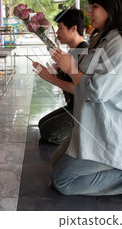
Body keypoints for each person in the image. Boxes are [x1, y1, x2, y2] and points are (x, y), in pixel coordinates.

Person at [49, 0, 122, 204]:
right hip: (92, 123)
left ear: (111, 5)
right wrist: (68, 67)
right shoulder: (104, 37)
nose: (90, 12)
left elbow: (97, 90)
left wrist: (71, 68)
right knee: (56, 161)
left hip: (109, 129)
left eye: (94, 6)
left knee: (62, 181)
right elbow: (87, 74)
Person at [32, 8, 88, 145]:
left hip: (85, 109)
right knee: (42, 124)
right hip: (73, 106)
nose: (57, 33)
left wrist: (49, 77)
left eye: (60, 28)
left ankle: (86, 135)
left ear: (73, 29)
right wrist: (53, 72)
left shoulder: (83, 53)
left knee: (49, 133)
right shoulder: (74, 52)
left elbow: (79, 88)